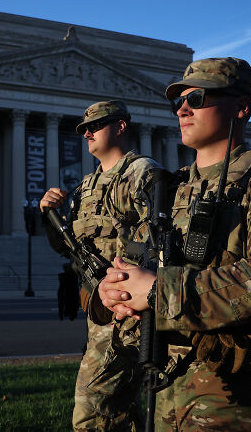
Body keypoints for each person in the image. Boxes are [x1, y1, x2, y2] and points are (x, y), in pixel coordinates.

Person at [97, 57, 251, 431]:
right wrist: (113, 290)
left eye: (198, 98)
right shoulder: (167, 191)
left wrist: (158, 291)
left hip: (233, 393)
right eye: (178, 102)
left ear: (241, 107)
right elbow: (133, 260)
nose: (183, 109)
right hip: (165, 384)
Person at [40, 100, 164, 431]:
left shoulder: (143, 173)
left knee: (92, 410)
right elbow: (65, 248)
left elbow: (162, 236)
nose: (87, 134)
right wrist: (48, 215)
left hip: (126, 310)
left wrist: (129, 278)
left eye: (94, 126)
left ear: (120, 127)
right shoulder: (84, 186)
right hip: (99, 308)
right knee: (124, 407)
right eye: (83, 129)